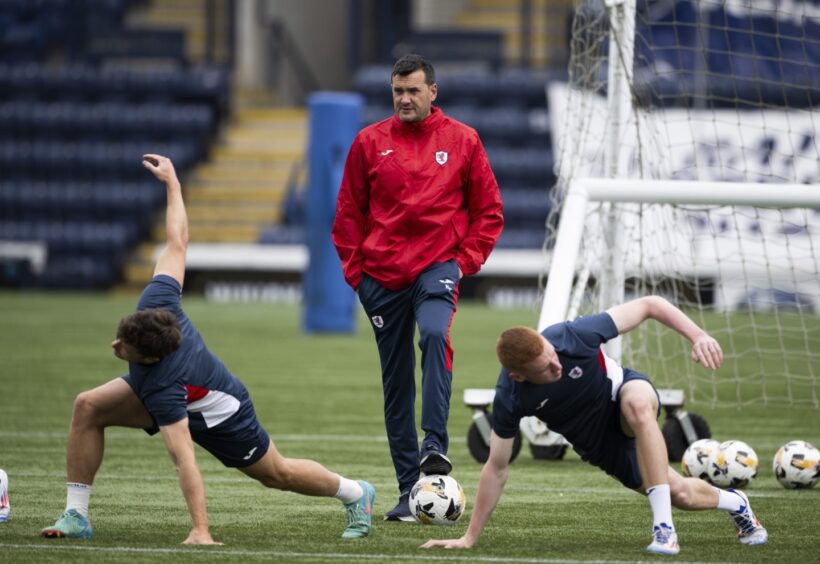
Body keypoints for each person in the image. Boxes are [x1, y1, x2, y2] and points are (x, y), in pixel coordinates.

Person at [41, 155, 375, 543]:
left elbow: (183, 459)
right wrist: (173, 184)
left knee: (276, 474)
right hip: (168, 390)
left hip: (222, 413)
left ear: (149, 358)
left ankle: (355, 492)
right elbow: (178, 241)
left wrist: (201, 529)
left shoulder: (166, 384)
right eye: (121, 337)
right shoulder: (158, 298)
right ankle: (76, 515)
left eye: (124, 348)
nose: (116, 345)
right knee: (88, 405)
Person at [421, 296, 768, 555]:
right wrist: (469, 537)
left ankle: (664, 530)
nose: (556, 364)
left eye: (553, 356)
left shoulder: (571, 335)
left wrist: (698, 335)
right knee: (681, 493)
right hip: (600, 444)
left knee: (638, 407)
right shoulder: (510, 397)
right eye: (546, 367)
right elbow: (495, 469)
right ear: (518, 376)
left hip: (622, 393)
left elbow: (650, 305)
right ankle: (737, 504)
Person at [332, 54, 504, 521]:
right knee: (396, 386)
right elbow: (348, 213)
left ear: (433, 92)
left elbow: (489, 211)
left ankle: (434, 448)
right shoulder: (369, 143)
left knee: (433, 334)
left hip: (437, 268)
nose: (405, 99)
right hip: (381, 278)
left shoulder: (463, 140)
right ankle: (411, 491)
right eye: (397, 91)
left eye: (413, 90)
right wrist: (357, 277)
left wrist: (462, 263)